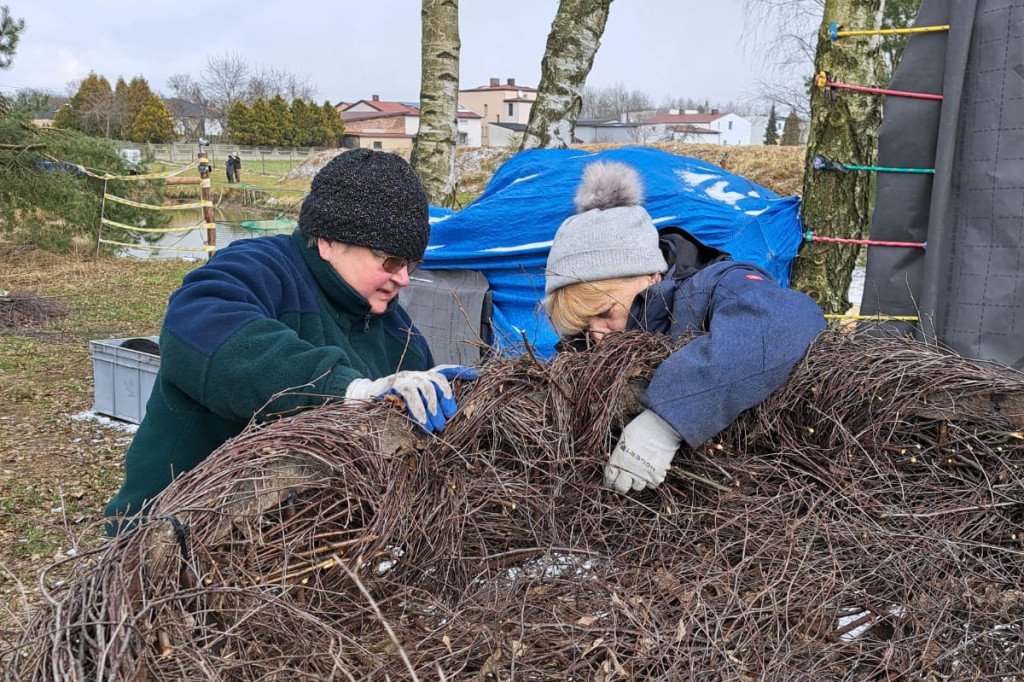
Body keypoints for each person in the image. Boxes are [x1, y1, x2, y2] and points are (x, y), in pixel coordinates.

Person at [105, 149, 473, 533]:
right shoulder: (262, 270)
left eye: (411, 264)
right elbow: (199, 324)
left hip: (300, 561)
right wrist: (347, 392)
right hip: (171, 542)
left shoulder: (400, 334)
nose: (404, 279)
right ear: (329, 240)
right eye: (391, 260)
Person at [543, 161, 825, 495]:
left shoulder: (715, 287)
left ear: (649, 275)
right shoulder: (589, 339)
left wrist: (666, 421)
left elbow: (785, 321)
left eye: (604, 311)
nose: (598, 335)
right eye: (583, 321)